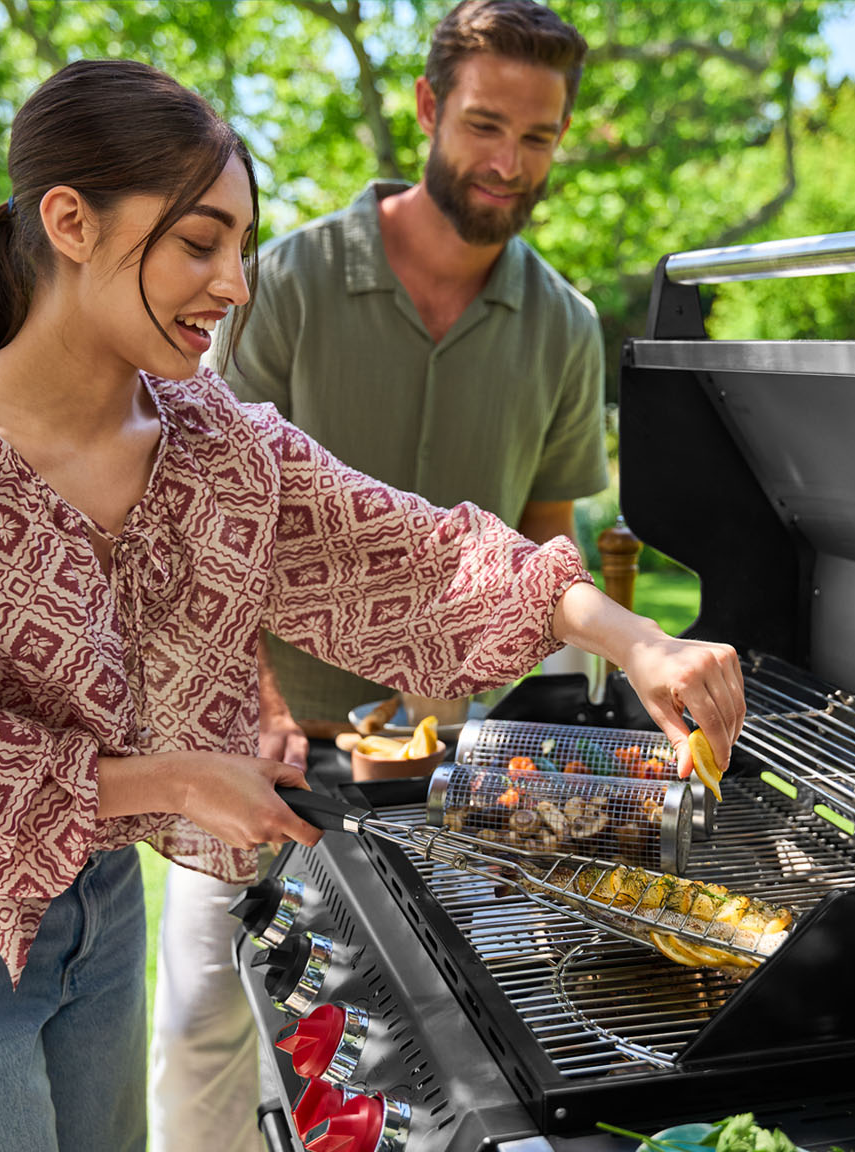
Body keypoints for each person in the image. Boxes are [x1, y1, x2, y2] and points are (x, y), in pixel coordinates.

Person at [0, 58, 742, 1152]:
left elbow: (416, 558)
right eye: (199, 243)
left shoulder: (216, 443)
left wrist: (634, 638)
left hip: (102, 913)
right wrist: (179, 779)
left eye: (243, 248)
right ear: (70, 222)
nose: (236, 285)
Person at [148, 5, 613, 1147]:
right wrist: (258, 705)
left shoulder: (566, 328)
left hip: (447, 763)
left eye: (540, 137)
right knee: (207, 1024)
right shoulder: (285, 282)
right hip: (261, 744)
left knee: (419, 1060)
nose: (510, 162)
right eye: (486, 124)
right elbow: (205, 515)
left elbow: (546, 542)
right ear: (427, 108)